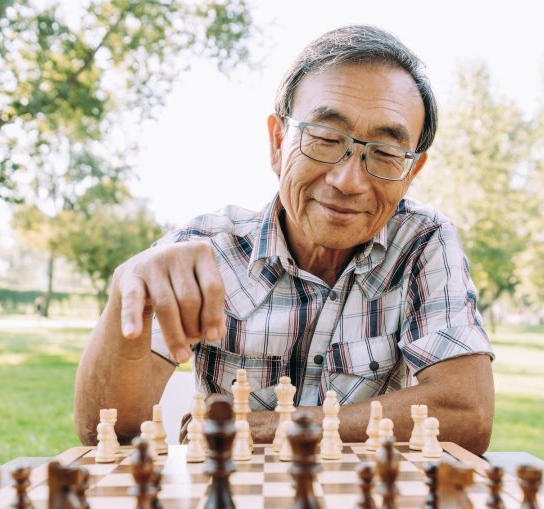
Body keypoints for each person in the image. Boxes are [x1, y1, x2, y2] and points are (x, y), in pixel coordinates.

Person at [74, 25, 495, 454]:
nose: (348, 180)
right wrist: (126, 292)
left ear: (412, 172)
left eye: (385, 153)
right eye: (326, 139)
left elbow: (467, 414)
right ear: (278, 142)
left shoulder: (423, 241)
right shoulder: (203, 249)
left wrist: (283, 426)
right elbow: (104, 431)